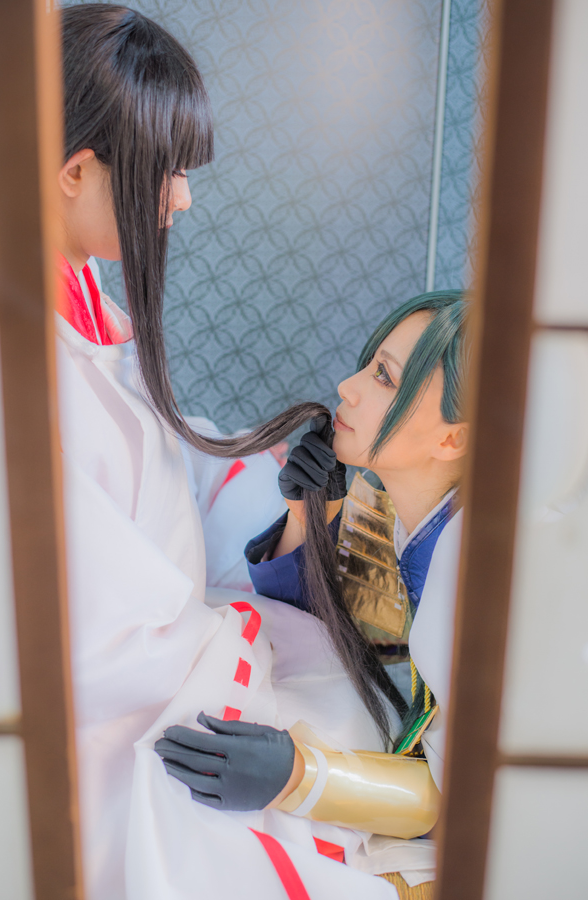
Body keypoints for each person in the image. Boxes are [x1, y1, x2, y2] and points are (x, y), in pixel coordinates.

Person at [55, 5, 403, 900]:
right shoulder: (21, 359)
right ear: (74, 172)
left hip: (170, 633)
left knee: (335, 697)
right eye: (165, 172)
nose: (181, 198)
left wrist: (289, 501)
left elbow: (160, 460)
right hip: (105, 710)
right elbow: (86, 631)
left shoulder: (79, 295)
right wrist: (225, 638)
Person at [156, 291, 469, 894]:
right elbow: (331, 626)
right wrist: (309, 520)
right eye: (371, 365)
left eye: (384, 377)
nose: (348, 387)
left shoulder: (480, 581)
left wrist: (297, 776)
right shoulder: (416, 516)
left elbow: (465, 794)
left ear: (452, 440)